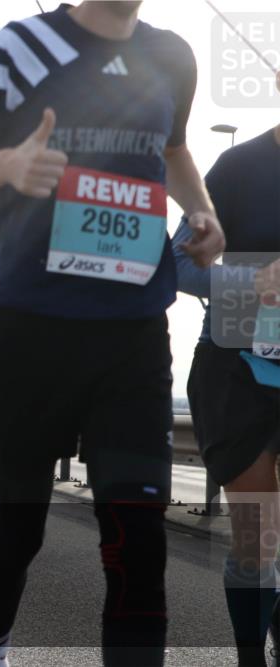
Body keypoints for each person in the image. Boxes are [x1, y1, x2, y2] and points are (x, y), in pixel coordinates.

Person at [0, 2, 225, 664]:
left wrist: (202, 213)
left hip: (134, 336)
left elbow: (173, 150)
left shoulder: (172, 56)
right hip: (31, 334)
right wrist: (6, 165)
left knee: (138, 543)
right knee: (20, 530)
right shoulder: (21, 49)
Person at [173, 114, 280, 667]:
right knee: (258, 537)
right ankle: (248, 657)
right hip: (237, 371)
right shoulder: (238, 169)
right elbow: (177, 266)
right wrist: (252, 279)